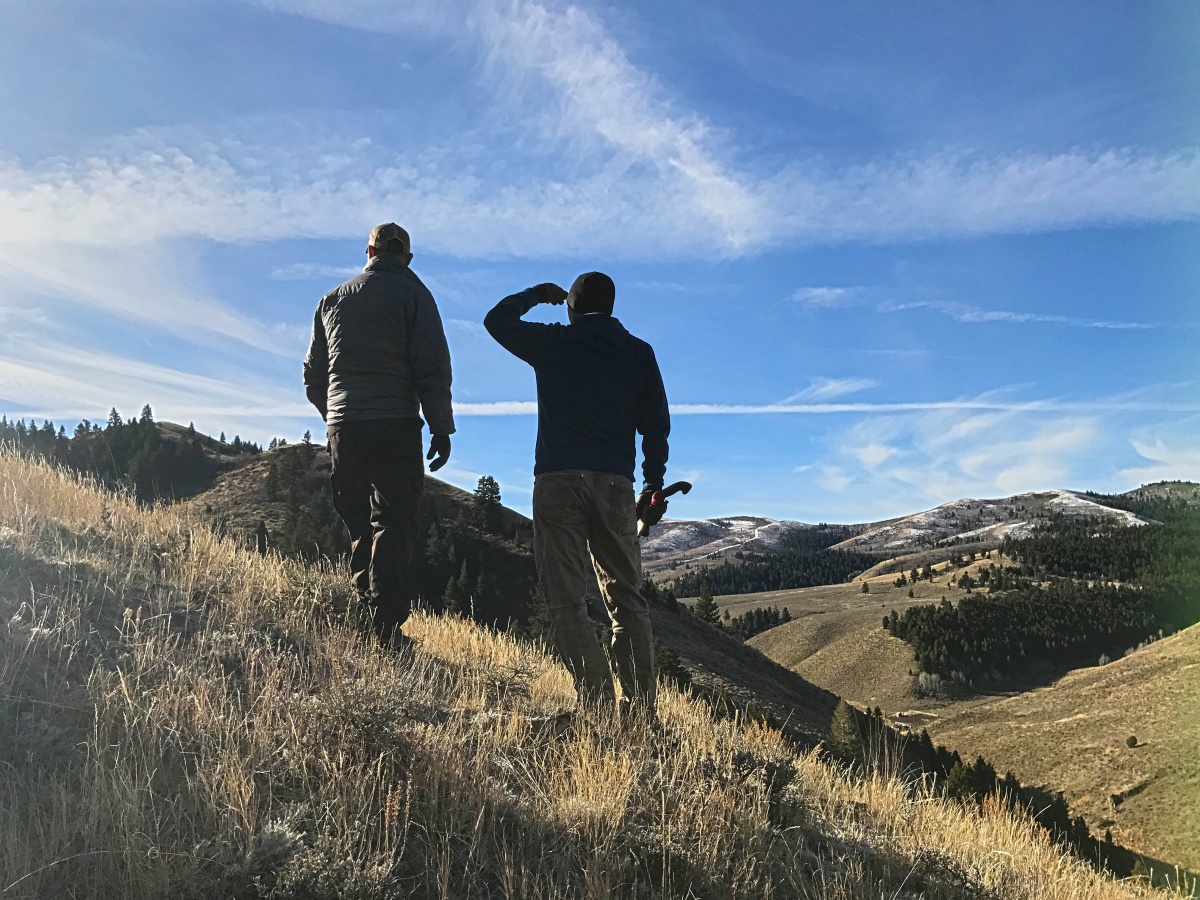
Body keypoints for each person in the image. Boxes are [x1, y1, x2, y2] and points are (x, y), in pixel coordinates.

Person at [484, 272, 670, 717]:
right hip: (615, 485)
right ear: (612, 306)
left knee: (566, 597)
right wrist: (652, 482)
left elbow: (496, 320)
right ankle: (639, 711)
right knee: (627, 598)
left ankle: (597, 701)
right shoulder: (639, 352)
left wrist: (536, 295)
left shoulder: (554, 342)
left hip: (558, 481)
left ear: (571, 306)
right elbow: (656, 426)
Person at [303, 223, 454, 646]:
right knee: (393, 521)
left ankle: (365, 606)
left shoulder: (332, 300)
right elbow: (433, 369)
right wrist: (441, 428)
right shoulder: (415, 295)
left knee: (357, 518)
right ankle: (384, 625)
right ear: (407, 257)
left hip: (345, 428)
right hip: (395, 424)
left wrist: (334, 417)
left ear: (368, 251)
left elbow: (313, 376)